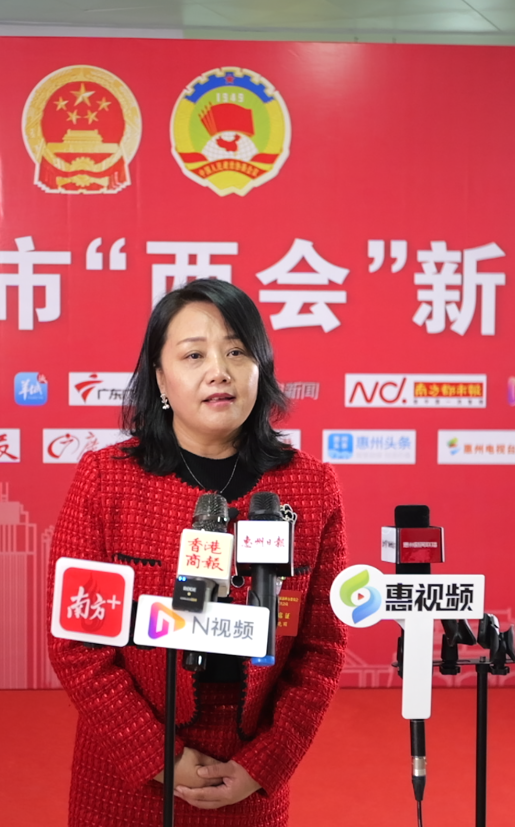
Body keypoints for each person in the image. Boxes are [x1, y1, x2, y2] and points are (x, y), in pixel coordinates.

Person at [48, 278, 349, 826]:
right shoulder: (106, 480)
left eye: (237, 351)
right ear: (160, 378)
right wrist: (157, 755)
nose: (219, 371)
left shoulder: (311, 486)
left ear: (261, 367)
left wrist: (266, 763)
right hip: (128, 771)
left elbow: (321, 649)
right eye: (194, 355)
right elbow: (77, 644)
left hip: (248, 772)